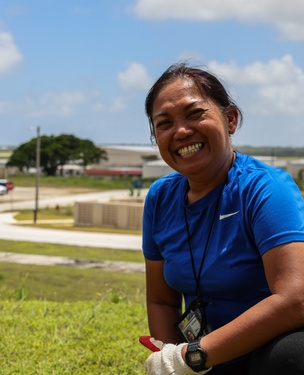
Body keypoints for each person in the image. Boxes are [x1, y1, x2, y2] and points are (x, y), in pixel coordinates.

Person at [141, 62, 304, 374]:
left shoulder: (266, 189)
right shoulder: (160, 198)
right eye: (164, 124)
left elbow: (296, 299)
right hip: (204, 359)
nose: (181, 131)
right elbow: (162, 301)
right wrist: (170, 361)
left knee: (294, 354)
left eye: (194, 114)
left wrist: (195, 356)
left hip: (265, 355)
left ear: (230, 119)